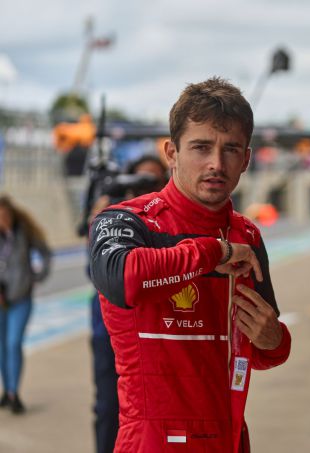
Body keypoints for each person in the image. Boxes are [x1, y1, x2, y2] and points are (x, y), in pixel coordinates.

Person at [88, 77, 291, 452]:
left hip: (230, 440)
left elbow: (262, 350)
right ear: (172, 153)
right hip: (152, 442)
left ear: (246, 159)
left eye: (231, 149)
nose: (216, 164)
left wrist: (276, 340)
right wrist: (215, 252)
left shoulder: (247, 235)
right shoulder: (125, 221)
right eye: (201, 147)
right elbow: (123, 280)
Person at [88, 154, 169, 453]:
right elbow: (95, 271)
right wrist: (98, 221)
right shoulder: (112, 215)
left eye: (152, 179)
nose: (145, 186)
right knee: (108, 406)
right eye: (139, 178)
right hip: (108, 328)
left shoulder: (171, 219)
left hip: (159, 328)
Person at [0, 194, 52, 414]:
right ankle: (6, 390)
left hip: (21, 297)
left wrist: (37, 277)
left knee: (13, 343)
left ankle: (14, 393)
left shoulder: (24, 232)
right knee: (1, 347)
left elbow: (45, 253)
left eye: (5, 215)